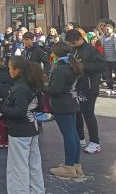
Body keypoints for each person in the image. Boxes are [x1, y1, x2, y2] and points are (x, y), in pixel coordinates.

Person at [0, 56, 45, 194]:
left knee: (18, 167)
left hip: (20, 130)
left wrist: (0, 107)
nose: (9, 71)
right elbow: (38, 106)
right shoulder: (32, 83)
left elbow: (18, 112)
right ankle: (37, 190)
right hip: (32, 127)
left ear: (17, 70)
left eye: (10, 68)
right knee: (34, 164)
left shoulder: (20, 87)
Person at [45, 42, 84, 178]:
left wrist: (41, 87)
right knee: (74, 134)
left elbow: (55, 90)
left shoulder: (60, 69)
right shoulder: (72, 65)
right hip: (72, 102)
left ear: (56, 54)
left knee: (68, 135)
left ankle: (69, 167)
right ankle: (75, 165)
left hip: (62, 104)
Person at [65, 29, 105, 155]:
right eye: (70, 43)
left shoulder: (91, 50)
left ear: (81, 39)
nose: (72, 45)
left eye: (74, 42)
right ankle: (80, 137)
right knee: (77, 112)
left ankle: (95, 142)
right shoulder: (73, 50)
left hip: (89, 87)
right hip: (77, 86)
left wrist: (82, 66)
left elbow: (101, 66)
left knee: (88, 113)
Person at [100, 23, 116, 96]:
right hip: (106, 60)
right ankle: (110, 88)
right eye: (105, 30)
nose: (106, 31)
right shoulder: (102, 37)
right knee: (108, 76)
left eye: (108, 29)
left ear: (112, 29)